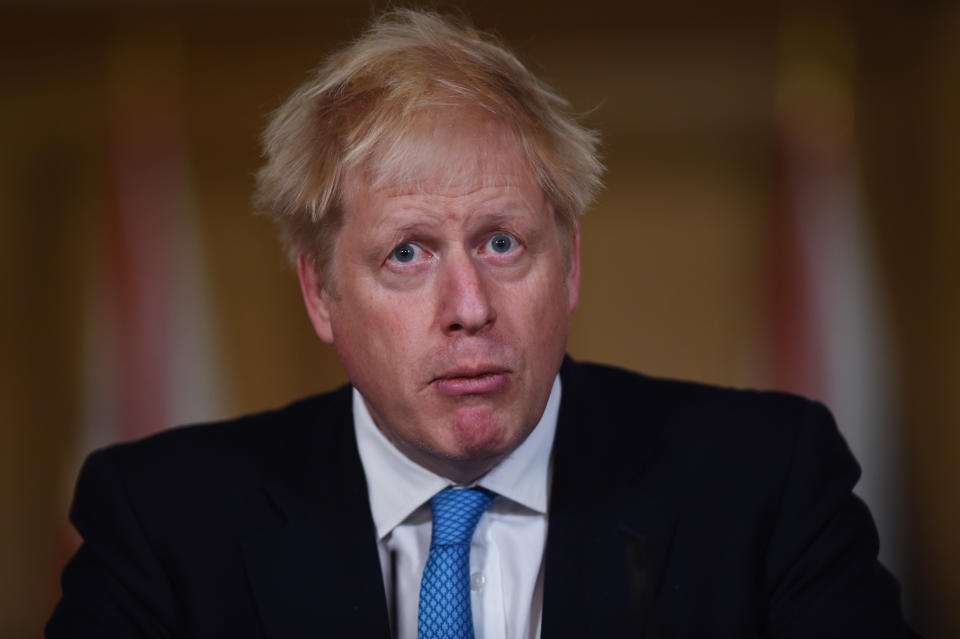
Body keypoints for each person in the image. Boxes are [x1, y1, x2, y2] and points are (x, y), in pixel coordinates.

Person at [47, 9, 918, 639]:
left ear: (569, 264)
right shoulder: (164, 520)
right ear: (319, 293)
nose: (469, 308)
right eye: (408, 254)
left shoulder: (767, 485)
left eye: (502, 243)